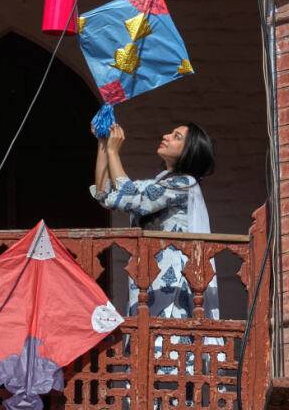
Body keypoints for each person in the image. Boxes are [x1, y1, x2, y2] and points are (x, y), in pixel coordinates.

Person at [89, 122, 220, 389]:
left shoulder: (185, 183)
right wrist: (103, 145)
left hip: (173, 288)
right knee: (143, 361)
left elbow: (134, 199)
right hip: (149, 284)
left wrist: (115, 153)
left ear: (190, 151)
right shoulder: (159, 183)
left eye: (176, 136)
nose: (166, 136)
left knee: (168, 363)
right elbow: (106, 194)